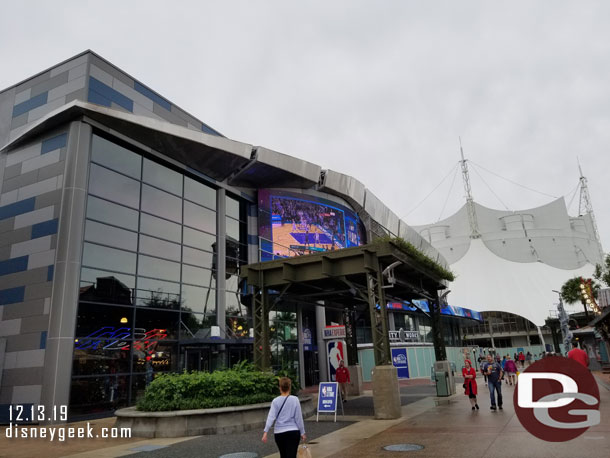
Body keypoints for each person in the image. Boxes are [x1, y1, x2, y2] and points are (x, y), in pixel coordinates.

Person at [262, 377, 306, 458]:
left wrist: (265, 432)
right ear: (289, 387)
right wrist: (302, 432)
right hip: (293, 431)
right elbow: (298, 418)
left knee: (283, 455)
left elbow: (271, 417)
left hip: (279, 433)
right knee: (292, 455)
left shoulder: (275, 401)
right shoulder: (295, 400)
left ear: (280, 388)